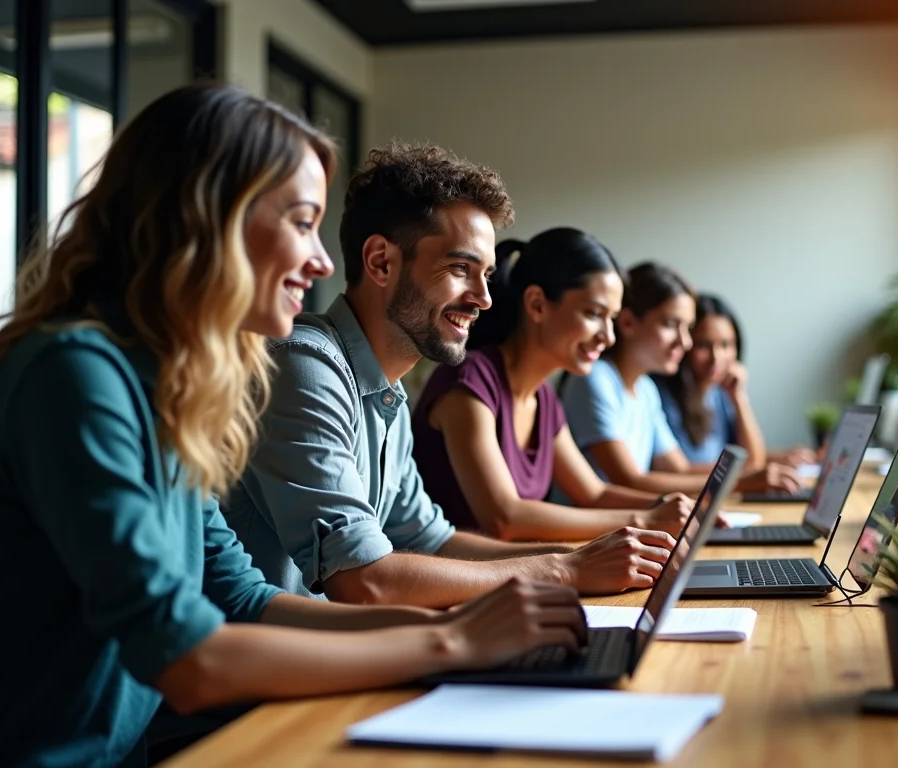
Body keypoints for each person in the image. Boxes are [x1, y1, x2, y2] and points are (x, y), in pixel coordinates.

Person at [0, 85, 585, 767]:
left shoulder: (168, 390)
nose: (320, 261)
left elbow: (246, 598)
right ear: (210, 220)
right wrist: (451, 642)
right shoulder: (73, 377)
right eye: (302, 222)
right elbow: (188, 656)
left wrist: (457, 624)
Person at [223, 143, 675, 610]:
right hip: (265, 671)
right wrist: (566, 571)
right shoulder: (304, 366)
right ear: (380, 262)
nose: (484, 298)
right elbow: (363, 581)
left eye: (487, 275)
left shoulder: (385, 392)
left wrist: (585, 558)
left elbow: (432, 540)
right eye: (460, 268)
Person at [411, 229, 695, 542]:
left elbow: (594, 494)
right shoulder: (470, 381)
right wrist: (647, 518)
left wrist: (676, 508)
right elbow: (505, 517)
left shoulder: (543, 398)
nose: (609, 336)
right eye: (594, 314)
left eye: (611, 318)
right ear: (537, 304)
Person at [560, 263, 802, 496]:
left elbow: (680, 469)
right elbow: (629, 480)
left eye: (687, 328)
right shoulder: (595, 378)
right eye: (671, 324)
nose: (685, 342)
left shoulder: (645, 390)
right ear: (627, 322)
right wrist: (740, 481)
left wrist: (750, 475)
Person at [655, 294, 815, 469]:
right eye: (703, 345)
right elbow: (749, 463)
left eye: (725, 345)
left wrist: (739, 398)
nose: (716, 358)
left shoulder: (719, 394)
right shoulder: (663, 397)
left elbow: (752, 458)